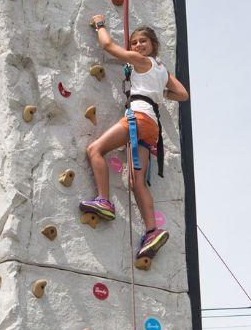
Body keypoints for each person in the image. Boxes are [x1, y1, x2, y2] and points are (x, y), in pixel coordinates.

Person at [79, 15, 189, 260]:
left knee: (95, 150)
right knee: (136, 181)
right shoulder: (162, 69)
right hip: (152, 125)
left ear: (152, 45)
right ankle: (152, 230)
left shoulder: (141, 61)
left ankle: (104, 201)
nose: (138, 46)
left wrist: (99, 24)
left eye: (143, 42)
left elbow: (108, 46)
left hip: (137, 117)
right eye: (135, 42)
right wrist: (158, 93)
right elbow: (182, 94)